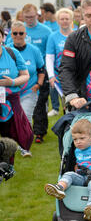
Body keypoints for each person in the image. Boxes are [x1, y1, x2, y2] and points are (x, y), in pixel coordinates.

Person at [44, 119, 91, 221]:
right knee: (68, 174)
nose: (78, 142)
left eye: (82, 138)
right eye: (75, 139)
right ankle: (59, 188)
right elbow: (79, 164)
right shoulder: (77, 151)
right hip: (82, 177)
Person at [8, 21, 45, 157]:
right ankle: (12, 144)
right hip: (10, 92)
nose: (18, 36)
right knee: (9, 119)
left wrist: (38, 84)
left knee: (25, 116)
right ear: (10, 34)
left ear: (26, 34)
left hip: (29, 91)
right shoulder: (7, 50)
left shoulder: (34, 50)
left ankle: (25, 147)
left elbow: (41, 69)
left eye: (21, 33)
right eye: (15, 33)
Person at [0, 26, 32, 158]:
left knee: (18, 131)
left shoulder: (12, 53)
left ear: (2, 37)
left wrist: (11, 82)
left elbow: (25, 75)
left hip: (11, 99)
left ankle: (10, 161)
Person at [46, 8, 74, 117]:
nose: (64, 21)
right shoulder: (53, 37)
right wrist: (51, 76)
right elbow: (49, 58)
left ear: (71, 20)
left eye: (67, 19)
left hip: (74, 75)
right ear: (58, 21)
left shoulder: (77, 34)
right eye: (62, 19)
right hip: (59, 75)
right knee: (65, 102)